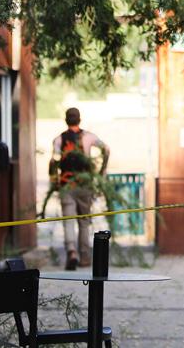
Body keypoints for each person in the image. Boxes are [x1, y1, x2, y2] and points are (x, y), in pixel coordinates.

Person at [49, 107, 110, 269]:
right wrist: (101, 171)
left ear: (66, 120)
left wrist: (54, 181)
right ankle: (84, 257)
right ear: (79, 119)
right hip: (85, 184)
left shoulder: (58, 140)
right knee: (84, 221)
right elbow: (106, 149)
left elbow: (54, 161)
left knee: (68, 220)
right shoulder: (88, 137)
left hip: (66, 185)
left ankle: (71, 252)